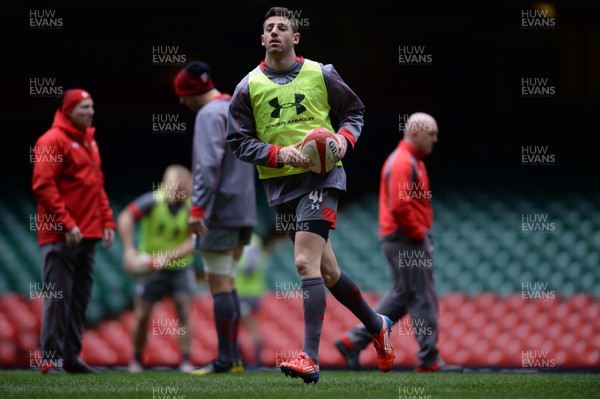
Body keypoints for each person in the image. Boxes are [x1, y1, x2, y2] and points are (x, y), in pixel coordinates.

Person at [226, 6, 394, 384]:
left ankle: (310, 358)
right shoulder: (247, 86)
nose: (274, 33)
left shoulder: (322, 72)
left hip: (321, 178)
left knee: (304, 263)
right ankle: (377, 324)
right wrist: (275, 153)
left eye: (282, 27)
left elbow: (355, 112)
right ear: (261, 38)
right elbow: (237, 140)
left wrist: (342, 141)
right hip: (281, 187)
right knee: (328, 270)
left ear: (295, 38)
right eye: (268, 28)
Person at [335, 112, 461, 372]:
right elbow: (401, 206)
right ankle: (429, 359)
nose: (435, 139)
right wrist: (418, 234)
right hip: (405, 238)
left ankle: (353, 341)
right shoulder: (404, 161)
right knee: (423, 297)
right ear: (415, 132)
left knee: (403, 296)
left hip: (398, 238)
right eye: (432, 133)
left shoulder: (409, 160)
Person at [174, 60, 257, 375]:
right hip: (244, 208)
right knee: (228, 280)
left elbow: (208, 165)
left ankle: (225, 360)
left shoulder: (209, 114)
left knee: (218, 281)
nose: (182, 101)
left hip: (219, 211)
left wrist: (197, 210)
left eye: (183, 94)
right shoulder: (235, 108)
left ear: (193, 91)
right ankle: (232, 359)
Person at [32, 88, 116, 374]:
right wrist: (67, 223)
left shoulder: (90, 141)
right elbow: (43, 185)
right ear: (68, 111)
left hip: (89, 233)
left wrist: (107, 221)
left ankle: (71, 357)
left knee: (79, 298)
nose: (91, 111)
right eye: (84, 107)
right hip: (62, 234)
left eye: (92, 106)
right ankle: (50, 359)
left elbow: (97, 185)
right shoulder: (51, 141)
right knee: (59, 298)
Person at [117, 164, 197, 373]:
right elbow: (125, 217)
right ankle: (136, 360)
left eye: (185, 184)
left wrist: (167, 257)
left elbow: (194, 242)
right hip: (150, 269)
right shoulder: (153, 201)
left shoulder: (193, 207)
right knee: (142, 315)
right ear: (166, 184)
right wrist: (129, 250)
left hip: (180, 267)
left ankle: (186, 361)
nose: (181, 188)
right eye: (177, 184)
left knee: (185, 310)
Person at [235, 232, 270, 368]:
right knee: (241, 325)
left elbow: (251, 266)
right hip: (241, 291)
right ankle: (246, 359)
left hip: (247, 292)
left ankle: (254, 361)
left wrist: (230, 266)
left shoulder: (252, 240)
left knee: (248, 324)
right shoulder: (245, 239)